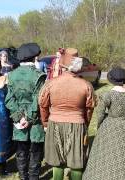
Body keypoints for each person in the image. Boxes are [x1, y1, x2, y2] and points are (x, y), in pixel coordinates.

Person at [39, 48, 96, 180]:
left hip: (55, 124)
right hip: (77, 124)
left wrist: (45, 122)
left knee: (56, 161)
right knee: (76, 162)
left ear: (62, 66)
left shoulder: (51, 84)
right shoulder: (86, 85)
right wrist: (85, 123)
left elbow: (43, 105)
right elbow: (89, 109)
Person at [5, 43, 46, 180]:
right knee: (35, 149)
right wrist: (28, 118)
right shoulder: (39, 75)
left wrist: (19, 117)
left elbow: (9, 99)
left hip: (20, 119)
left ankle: (23, 177)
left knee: (21, 149)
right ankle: (33, 177)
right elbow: (38, 100)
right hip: (34, 119)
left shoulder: (11, 75)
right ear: (35, 57)